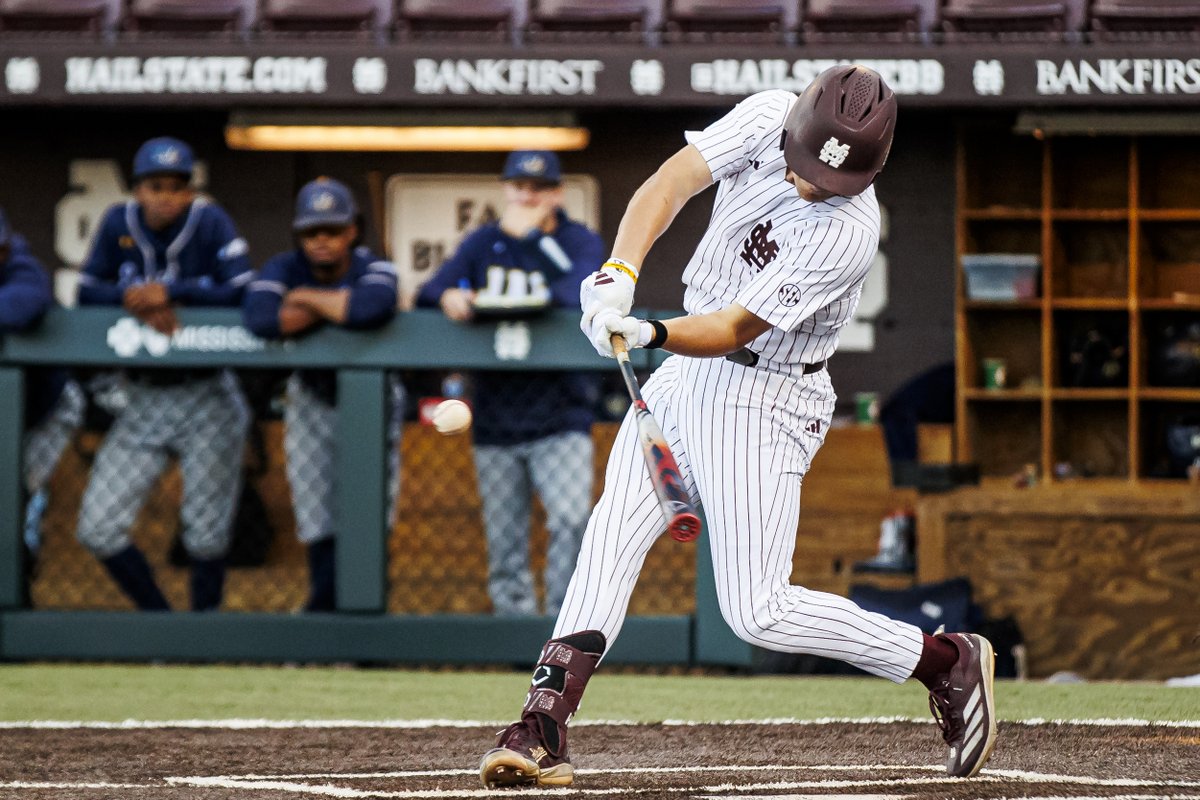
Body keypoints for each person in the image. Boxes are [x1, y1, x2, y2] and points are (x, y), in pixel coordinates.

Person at [479, 65, 997, 789]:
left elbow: (730, 327)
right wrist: (619, 271)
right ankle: (541, 724)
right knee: (609, 537)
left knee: (757, 612)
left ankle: (946, 661)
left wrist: (648, 327)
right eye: (809, 165)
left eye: (833, 178)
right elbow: (669, 182)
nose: (812, 184)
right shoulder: (765, 117)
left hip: (767, 398)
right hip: (685, 378)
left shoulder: (849, 231)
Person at [416, 150, 605, 616]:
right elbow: (427, 291)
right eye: (519, 186)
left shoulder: (577, 239)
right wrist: (451, 294)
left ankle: (564, 622)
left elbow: (578, 290)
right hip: (496, 414)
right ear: (505, 189)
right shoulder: (484, 241)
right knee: (505, 539)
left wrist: (534, 241)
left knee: (569, 521)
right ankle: (513, 628)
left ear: (557, 194)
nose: (527, 196)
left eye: (538, 188)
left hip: (562, 410)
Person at [75, 136, 253, 612]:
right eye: (156, 186)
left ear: (190, 192)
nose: (166, 196)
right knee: (98, 525)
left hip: (208, 392)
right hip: (143, 396)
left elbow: (243, 290)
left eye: (177, 186)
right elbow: (86, 292)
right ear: (138, 190)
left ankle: (202, 637)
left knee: (207, 533)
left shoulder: (209, 220)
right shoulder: (118, 222)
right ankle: (162, 621)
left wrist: (173, 293)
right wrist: (134, 298)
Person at [242, 177, 404, 612]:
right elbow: (260, 319)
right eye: (313, 232)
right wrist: (335, 307)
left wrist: (306, 300)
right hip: (311, 399)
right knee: (316, 515)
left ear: (352, 230)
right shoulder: (282, 266)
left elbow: (372, 306)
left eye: (332, 230)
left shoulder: (374, 264)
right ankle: (324, 614)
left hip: (372, 406)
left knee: (369, 515)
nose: (322, 241)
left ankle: (362, 620)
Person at [0, 208, 86, 573]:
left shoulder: (23, 266)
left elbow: (20, 306)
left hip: (45, 412)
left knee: (15, 499)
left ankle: (21, 577)